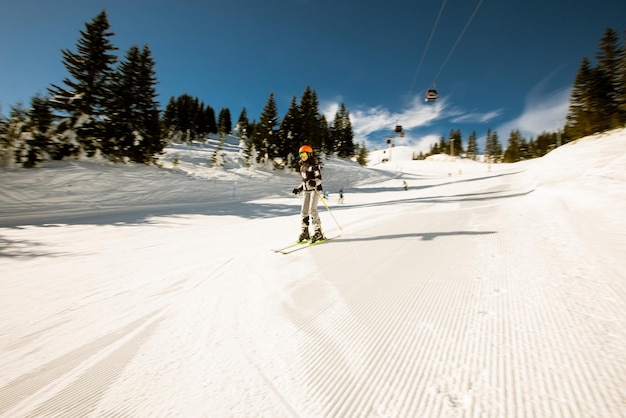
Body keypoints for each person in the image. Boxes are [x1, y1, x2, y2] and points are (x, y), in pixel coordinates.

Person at [292, 145, 326, 243]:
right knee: (304, 211)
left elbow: (319, 179)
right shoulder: (302, 167)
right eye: (301, 154)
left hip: (315, 190)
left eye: (304, 154)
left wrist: (314, 182)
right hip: (306, 190)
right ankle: (305, 231)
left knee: (312, 210)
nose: (302, 156)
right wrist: (299, 189)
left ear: (309, 154)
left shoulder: (314, 166)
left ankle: (318, 231)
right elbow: (304, 181)